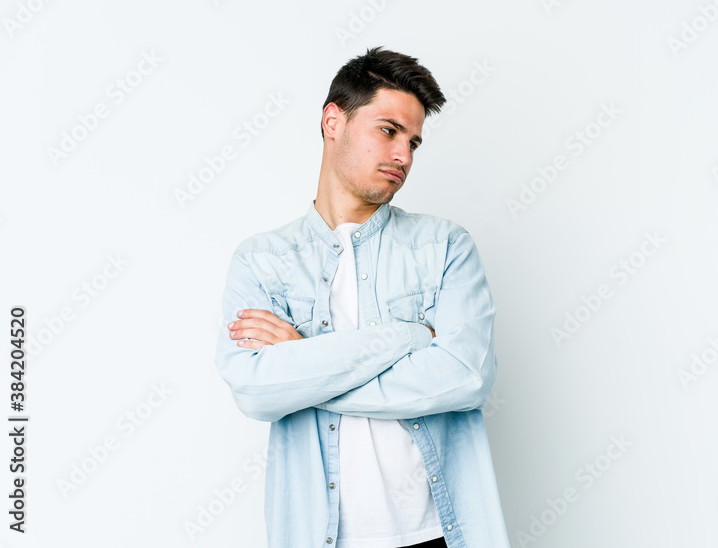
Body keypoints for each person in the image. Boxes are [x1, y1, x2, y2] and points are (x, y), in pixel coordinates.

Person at [214, 47, 510, 548]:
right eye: (388, 130)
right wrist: (409, 336)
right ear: (334, 121)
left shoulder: (444, 247)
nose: (404, 156)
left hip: (438, 534)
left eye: (414, 142)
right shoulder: (262, 260)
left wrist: (301, 363)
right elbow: (256, 391)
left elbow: (466, 376)